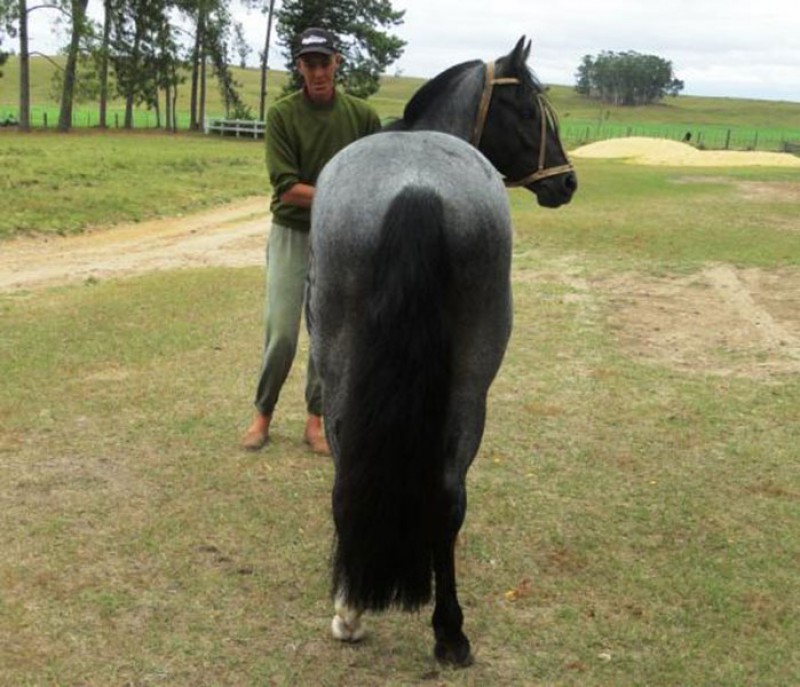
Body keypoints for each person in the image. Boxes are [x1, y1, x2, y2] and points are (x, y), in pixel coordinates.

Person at [241, 27, 382, 454]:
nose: (318, 72)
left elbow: (372, 178)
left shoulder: (363, 117)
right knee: (282, 332)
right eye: (310, 64)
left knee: (329, 332)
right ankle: (263, 413)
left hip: (339, 236)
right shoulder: (283, 115)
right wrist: (344, 194)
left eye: (325, 63)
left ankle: (315, 420)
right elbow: (287, 189)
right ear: (299, 67)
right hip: (292, 232)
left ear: (337, 62)